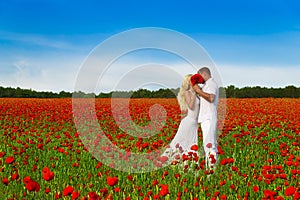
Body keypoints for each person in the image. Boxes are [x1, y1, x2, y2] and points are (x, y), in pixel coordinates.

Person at [163, 74, 200, 163]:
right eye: (193, 81)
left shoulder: (197, 94)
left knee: (191, 144)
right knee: (180, 143)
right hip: (189, 122)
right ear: (189, 82)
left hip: (194, 123)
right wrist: (195, 94)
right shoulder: (187, 93)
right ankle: (167, 160)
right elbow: (191, 106)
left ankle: (188, 164)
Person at [192, 67, 219, 170]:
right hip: (206, 117)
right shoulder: (207, 85)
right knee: (208, 144)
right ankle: (211, 168)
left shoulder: (211, 84)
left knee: (209, 144)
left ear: (203, 74)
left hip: (209, 118)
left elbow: (211, 98)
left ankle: (211, 171)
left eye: (199, 76)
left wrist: (198, 91)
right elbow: (205, 99)